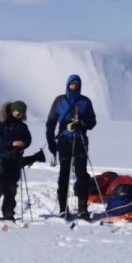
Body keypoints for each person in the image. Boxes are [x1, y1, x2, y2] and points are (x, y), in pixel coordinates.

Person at [46, 73, 98, 220]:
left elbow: (93, 122)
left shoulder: (85, 102)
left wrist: (82, 123)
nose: (74, 87)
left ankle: (82, 207)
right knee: (64, 174)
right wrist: (51, 142)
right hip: (64, 141)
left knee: (82, 175)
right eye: (72, 84)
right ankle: (63, 207)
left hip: (80, 140)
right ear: (68, 85)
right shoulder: (59, 101)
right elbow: (50, 123)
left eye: (76, 84)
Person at [0, 100, 32, 223]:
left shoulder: (22, 126)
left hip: (14, 161)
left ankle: (8, 213)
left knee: (11, 188)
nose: (19, 115)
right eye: (17, 112)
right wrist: (11, 144)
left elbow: (28, 138)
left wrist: (23, 144)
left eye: (21, 113)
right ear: (11, 111)